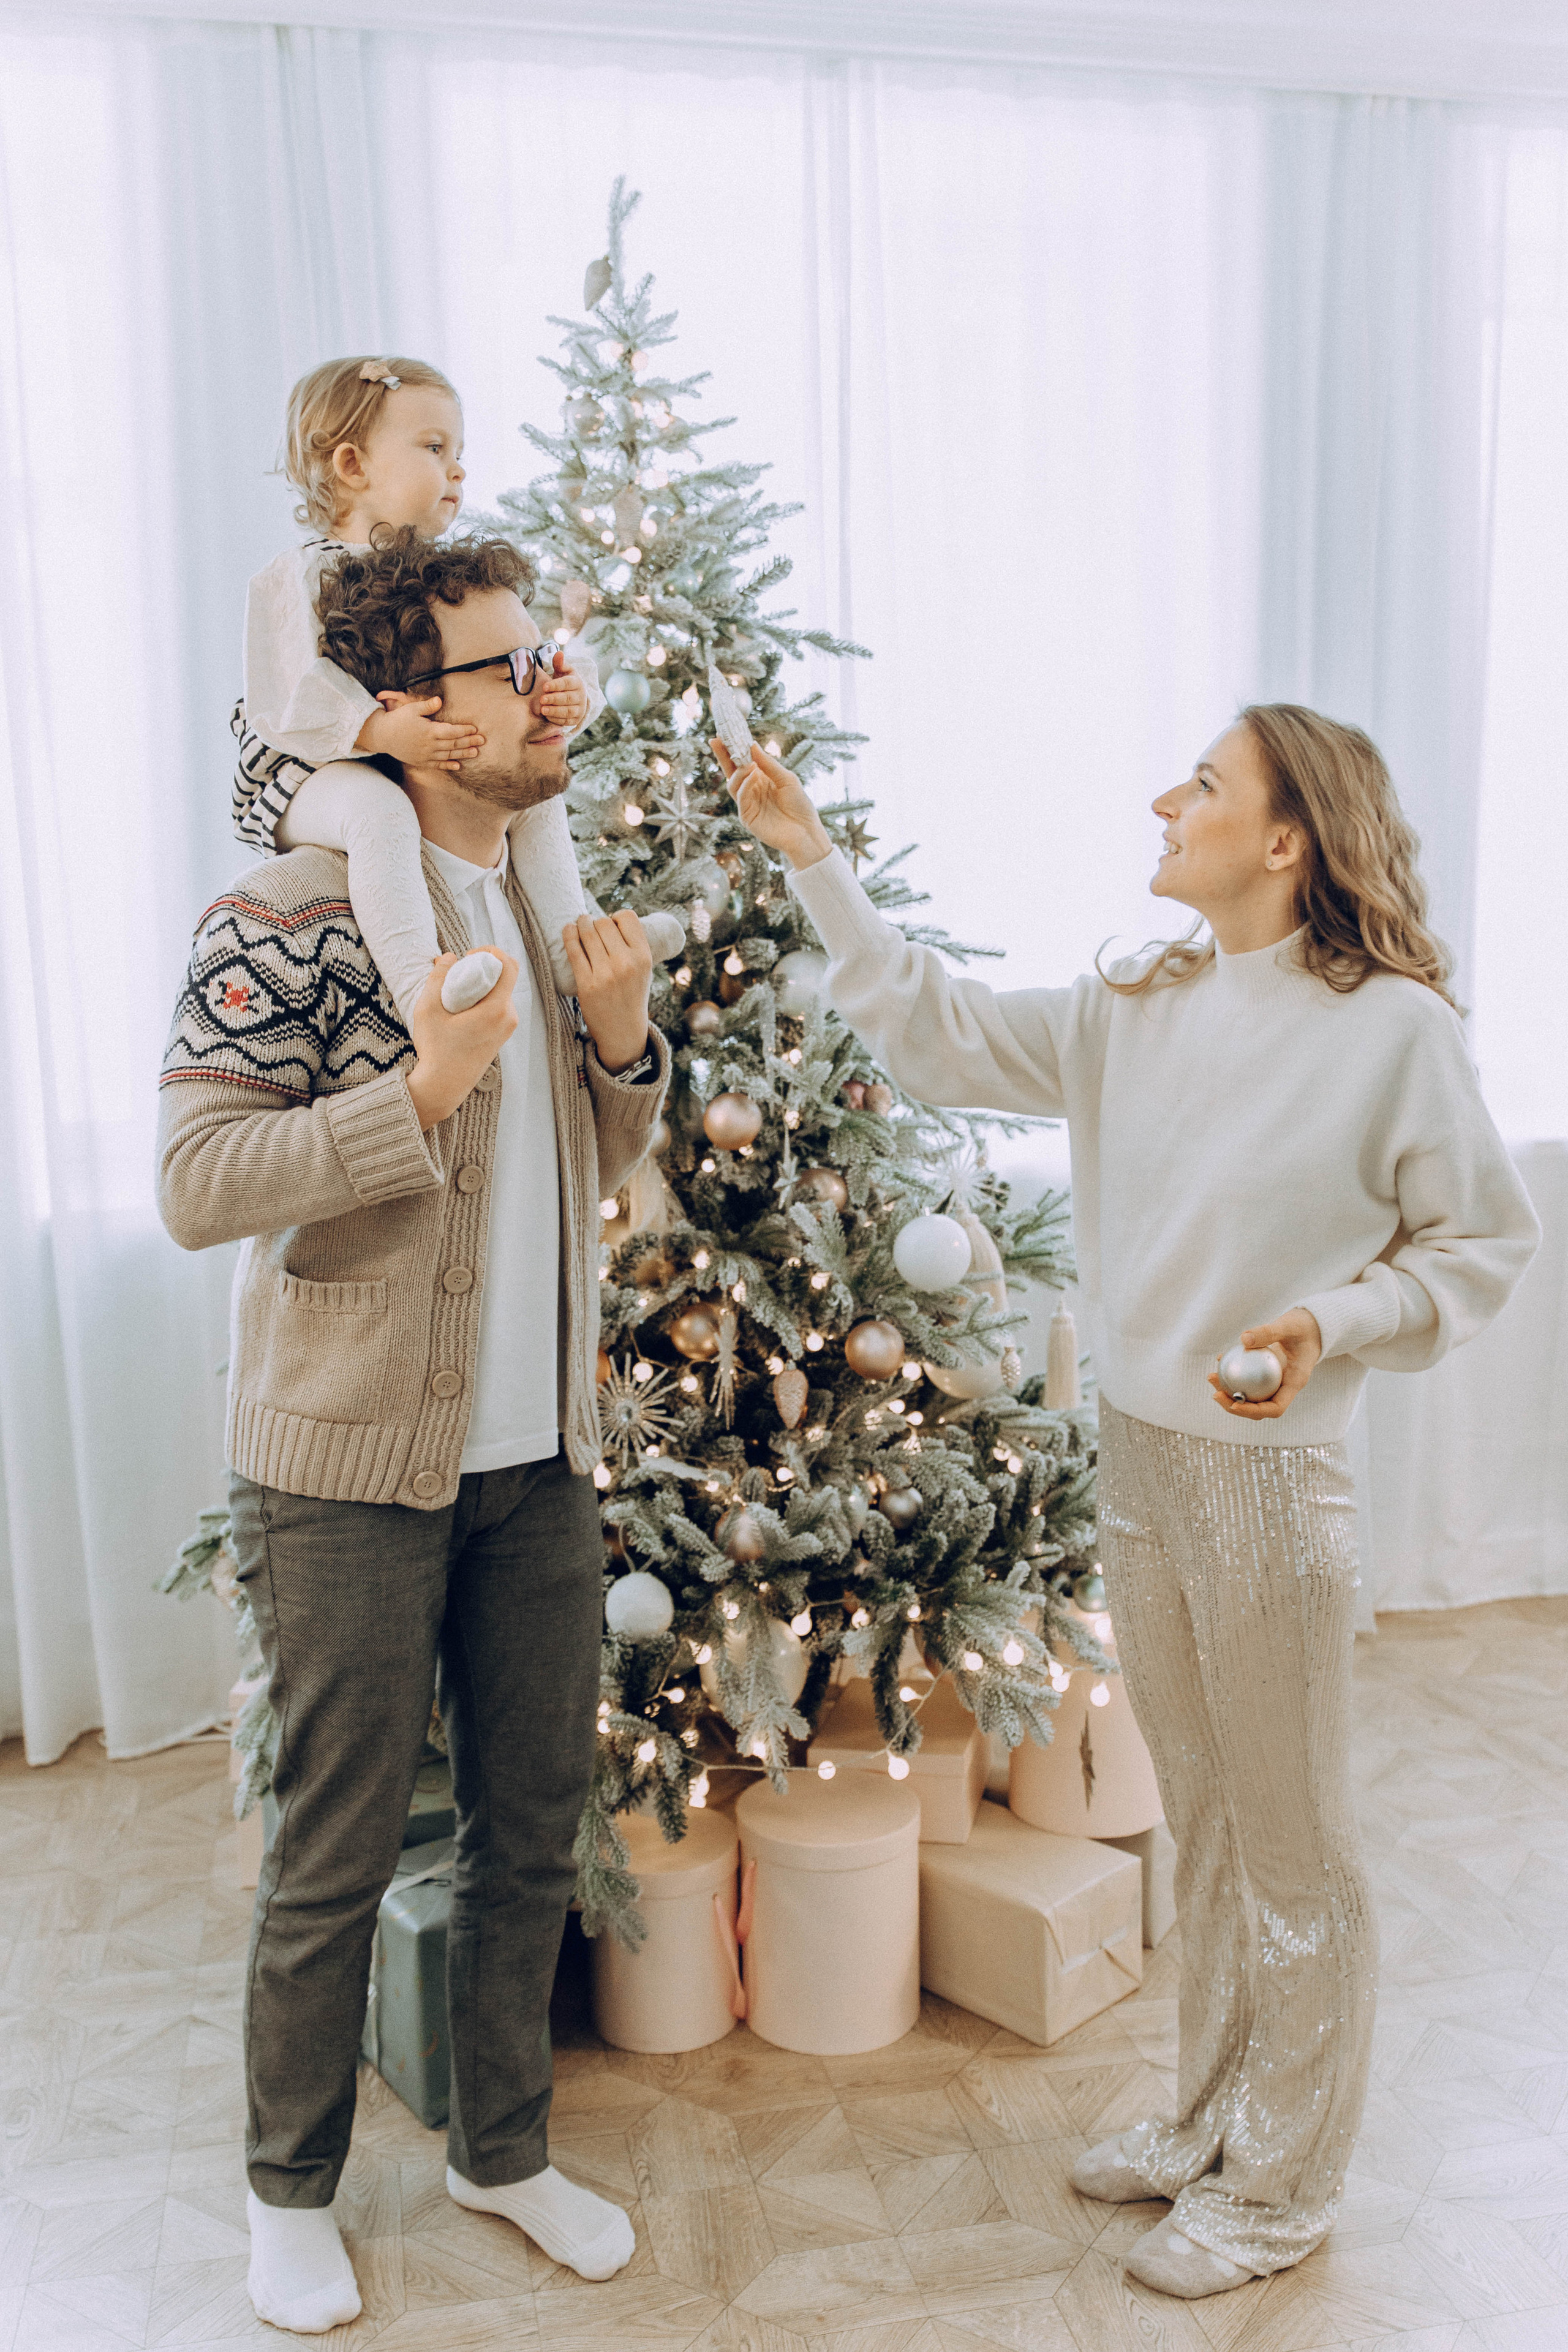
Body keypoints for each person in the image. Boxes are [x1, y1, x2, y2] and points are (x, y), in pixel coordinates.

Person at [720, 709, 1540, 2301]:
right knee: (1212, 1822)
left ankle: (1287, 2188)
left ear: (1288, 840)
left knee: (1299, 1844)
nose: (1166, 802)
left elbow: (1479, 1247)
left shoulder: (1394, 1034)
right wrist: (810, 859)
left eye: (1207, 787)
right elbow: (938, 1029)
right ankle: (1218, 2109)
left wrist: (1334, 1321)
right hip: (1145, 1460)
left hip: (1271, 1478)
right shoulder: (1137, 1003)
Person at [159, 530, 668, 2334]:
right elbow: (199, 1178)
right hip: (341, 1472)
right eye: (499, 668)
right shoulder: (285, 909)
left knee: (533, 1830)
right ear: (405, 714)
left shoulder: (540, 896)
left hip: (539, 1464)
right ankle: (284, 2189)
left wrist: (616, 1045)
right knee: (335, 1848)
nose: (545, 694)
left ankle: (500, 2148)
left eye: (546, 658)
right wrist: (413, 1095)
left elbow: (597, 1173)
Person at [233, 350, 644, 1016]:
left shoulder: (450, 578)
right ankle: (423, 985)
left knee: (533, 796)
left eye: (459, 450)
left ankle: (578, 951)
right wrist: (378, 730)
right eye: (433, 446)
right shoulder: (306, 574)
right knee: (378, 813)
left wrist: (571, 693)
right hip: (299, 770)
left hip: (400, 754)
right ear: (351, 465)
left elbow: (522, 655)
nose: (456, 468)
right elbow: (284, 692)